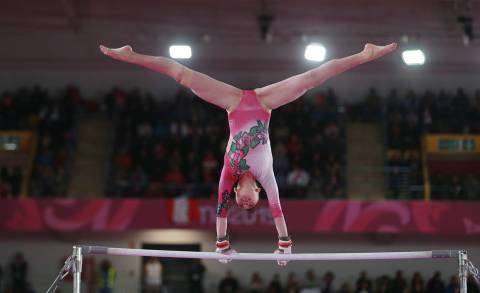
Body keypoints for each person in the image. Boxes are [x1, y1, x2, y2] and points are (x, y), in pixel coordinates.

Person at [100, 42, 397, 265]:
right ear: (257, 193)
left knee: (181, 75)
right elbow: (278, 212)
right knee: (311, 79)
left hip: (232, 103)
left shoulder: (227, 178)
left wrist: (222, 246)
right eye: (251, 204)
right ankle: (363, 55)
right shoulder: (266, 177)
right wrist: (284, 245)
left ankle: (131, 55)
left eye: (241, 205)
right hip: (265, 103)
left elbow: (220, 213)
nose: (244, 203)